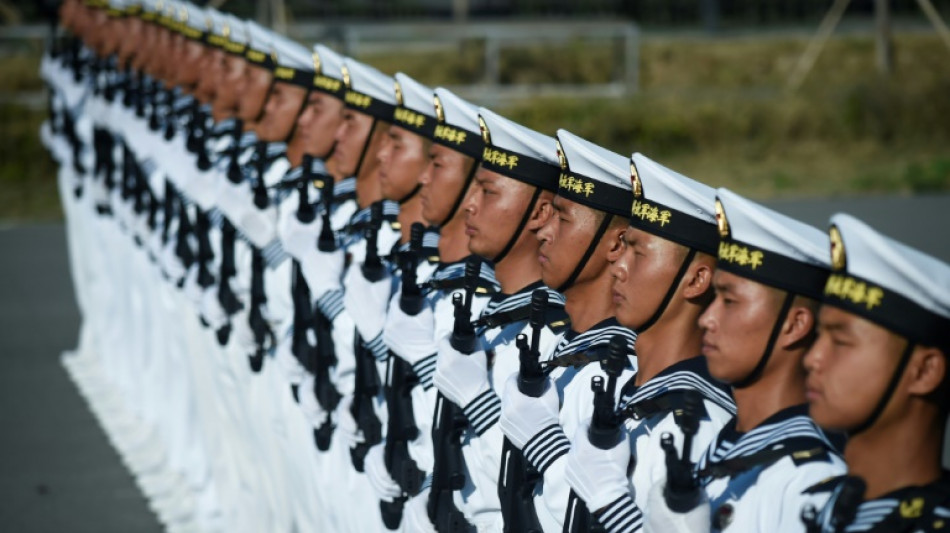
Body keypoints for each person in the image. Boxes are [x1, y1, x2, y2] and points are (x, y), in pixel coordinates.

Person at [643, 187, 847, 532]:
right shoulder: (722, 445)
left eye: (730, 301)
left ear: (794, 325)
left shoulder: (809, 481)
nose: (707, 318)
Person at [560, 153, 736, 533]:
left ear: (695, 280)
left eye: (637, 252)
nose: (618, 266)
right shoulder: (629, 397)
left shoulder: (696, 429)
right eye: (623, 249)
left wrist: (609, 504)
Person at [801, 213, 950, 532]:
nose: (813, 358)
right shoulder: (813, 505)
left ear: (924, 371)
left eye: (840, 341)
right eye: (819, 336)